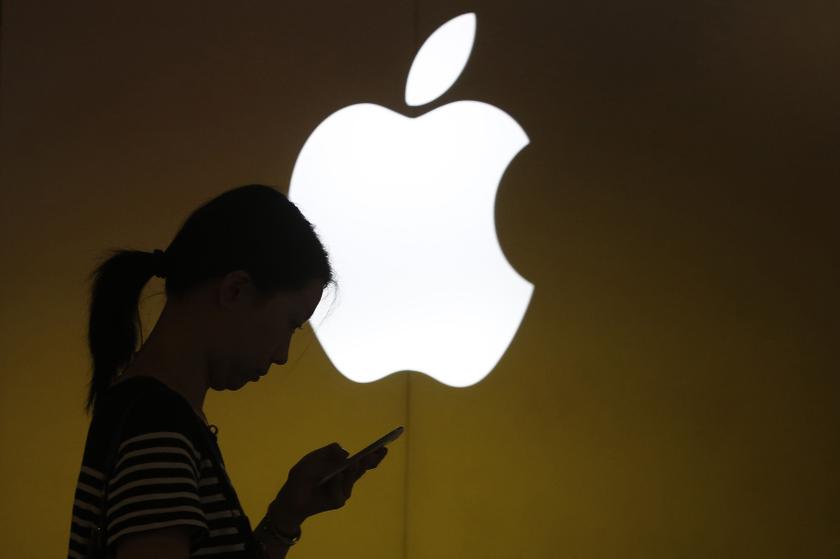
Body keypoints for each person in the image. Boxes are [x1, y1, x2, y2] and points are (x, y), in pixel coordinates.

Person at [66, 184, 388, 559]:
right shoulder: (159, 430)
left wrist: (285, 517)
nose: (283, 355)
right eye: (290, 324)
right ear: (235, 290)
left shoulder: (157, 419)